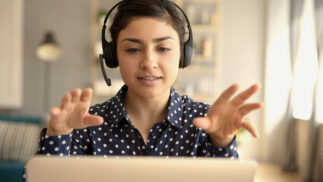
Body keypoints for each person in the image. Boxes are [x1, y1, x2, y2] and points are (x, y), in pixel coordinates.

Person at [36, 0, 262, 164]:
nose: (148, 62)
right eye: (133, 49)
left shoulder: (206, 123)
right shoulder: (84, 126)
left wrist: (221, 143)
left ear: (183, 55)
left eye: (163, 48)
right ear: (113, 57)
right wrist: (58, 135)